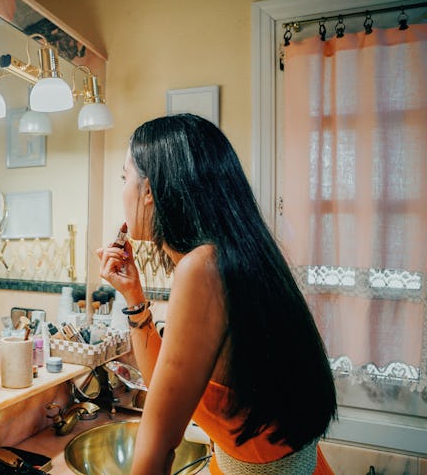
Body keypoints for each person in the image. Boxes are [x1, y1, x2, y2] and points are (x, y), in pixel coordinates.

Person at [97, 114, 337, 475]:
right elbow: (164, 385)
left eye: (124, 177)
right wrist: (133, 294)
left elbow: (159, 441)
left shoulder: (201, 268)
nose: (122, 190)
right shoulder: (230, 256)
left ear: (149, 191)